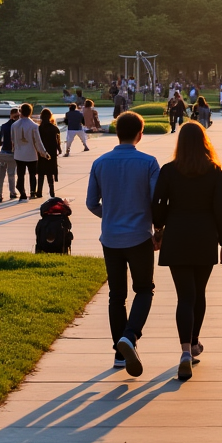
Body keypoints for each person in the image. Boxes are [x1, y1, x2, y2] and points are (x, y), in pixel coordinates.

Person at [151, 122, 222, 381]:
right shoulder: (214, 171)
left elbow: (158, 205)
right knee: (199, 293)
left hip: (177, 236)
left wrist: (159, 229)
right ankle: (195, 341)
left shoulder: (169, 170)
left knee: (184, 296)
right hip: (204, 237)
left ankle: (186, 350)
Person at [87, 111, 161, 377]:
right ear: (140, 134)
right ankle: (129, 336)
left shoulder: (100, 163)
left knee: (116, 296)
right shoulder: (149, 163)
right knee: (144, 290)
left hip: (111, 238)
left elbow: (91, 203)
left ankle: (119, 354)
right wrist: (158, 229)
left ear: (116, 133)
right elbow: (156, 201)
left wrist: (110, 214)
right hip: (139, 236)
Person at [11, 103, 50, 201]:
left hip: (19, 154)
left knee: (20, 174)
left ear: (20, 112)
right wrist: (43, 153)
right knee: (32, 174)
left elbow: (13, 139)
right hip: (31, 154)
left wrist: (14, 149)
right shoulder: (34, 126)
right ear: (30, 112)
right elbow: (37, 141)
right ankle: (32, 192)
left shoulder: (14, 125)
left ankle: (22, 193)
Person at [0, 110, 20, 202]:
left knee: (1, 175)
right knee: (11, 174)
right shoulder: (17, 127)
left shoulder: (4, 126)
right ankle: (12, 192)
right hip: (12, 153)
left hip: (3, 152)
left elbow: (0, 142)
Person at [36, 108, 62, 198]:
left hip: (41, 152)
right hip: (51, 152)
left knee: (41, 173)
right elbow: (57, 141)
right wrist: (59, 149)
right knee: (50, 173)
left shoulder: (39, 128)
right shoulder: (54, 128)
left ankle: (39, 191)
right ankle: (52, 191)